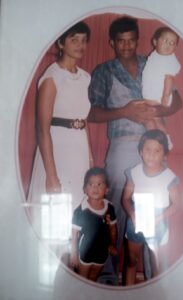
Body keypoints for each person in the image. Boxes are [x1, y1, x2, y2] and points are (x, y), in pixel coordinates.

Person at [88, 16, 183, 285]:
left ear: (139, 40)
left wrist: (157, 110)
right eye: (121, 41)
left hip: (152, 147)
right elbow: (91, 113)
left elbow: (177, 102)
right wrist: (126, 112)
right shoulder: (103, 71)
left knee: (154, 206)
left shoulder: (152, 62)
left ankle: (154, 277)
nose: (127, 45)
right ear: (112, 43)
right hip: (122, 146)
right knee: (116, 207)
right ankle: (107, 275)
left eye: (131, 40)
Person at [27, 22, 92, 213]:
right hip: (57, 149)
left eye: (83, 40)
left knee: (76, 209)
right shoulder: (52, 76)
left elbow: (83, 119)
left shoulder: (85, 78)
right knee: (54, 210)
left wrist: (89, 155)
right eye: (74, 40)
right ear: (61, 44)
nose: (80, 45)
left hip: (78, 148)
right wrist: (51, 175)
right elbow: (42, 129)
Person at [122, 129, 182, 285]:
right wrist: (133, 214)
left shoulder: (169, 176)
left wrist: (158, 218)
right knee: (131, 261)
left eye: (157, 150)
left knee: (157, 268)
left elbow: (177, 204)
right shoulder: (134, 172)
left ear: (164, 154)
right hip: (136, 220)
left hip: (158, 222)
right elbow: (126, 199)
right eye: (147, 149)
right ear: (141, 152)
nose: (151, 154)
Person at [70, 167, 118, 282]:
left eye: (99, 184)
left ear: (106, 189)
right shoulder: (80, 211)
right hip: (85, 254)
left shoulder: (110, 208)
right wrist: (74, 254)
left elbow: (113, 229)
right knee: (82, 280)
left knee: (93, 279)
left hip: (102, 254)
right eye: (91, 184)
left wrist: (112, 244)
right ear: (85, 189)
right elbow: (74, 235)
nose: (95, 188)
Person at [142, 27, 181, 147]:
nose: (168, 45)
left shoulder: (169, 59)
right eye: (165, 40)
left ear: (175, 48)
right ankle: (159, 142)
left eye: (172, 43)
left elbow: (169, 79)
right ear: (155, 42)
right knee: (152, 122)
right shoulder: (154, 56)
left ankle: (163, 142)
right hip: (150, 98)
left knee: (153, 121)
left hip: (160, 97)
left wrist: (165, 96)